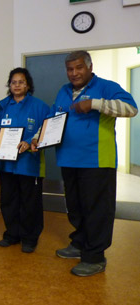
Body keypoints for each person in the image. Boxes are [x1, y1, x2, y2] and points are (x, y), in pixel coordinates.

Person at [31, 50, 137, 276]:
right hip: (68, 159)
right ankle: (79, 243)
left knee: (97, 209)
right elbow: (52, 118)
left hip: (96, 161)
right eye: (70, 69)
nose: (74, 73)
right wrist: (36, 139)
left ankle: (95, 256)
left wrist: (95, 103)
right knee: (76, 207)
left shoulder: (105, 87)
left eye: (79, 68)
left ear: (89, 67)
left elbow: (131, 108)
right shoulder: (63, 91)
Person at [0, 68, 49, 253]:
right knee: (9, 200)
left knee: (30, 203)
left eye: (21, 82)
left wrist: (31, 141)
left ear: (28, 85)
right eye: (13, 82)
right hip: (6, 163)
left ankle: (30, 238)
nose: (17, 85)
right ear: (9, 85)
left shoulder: (40, 107)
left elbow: (47, 131)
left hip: (29, 164)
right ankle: (12, 234)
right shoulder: (1, 107)